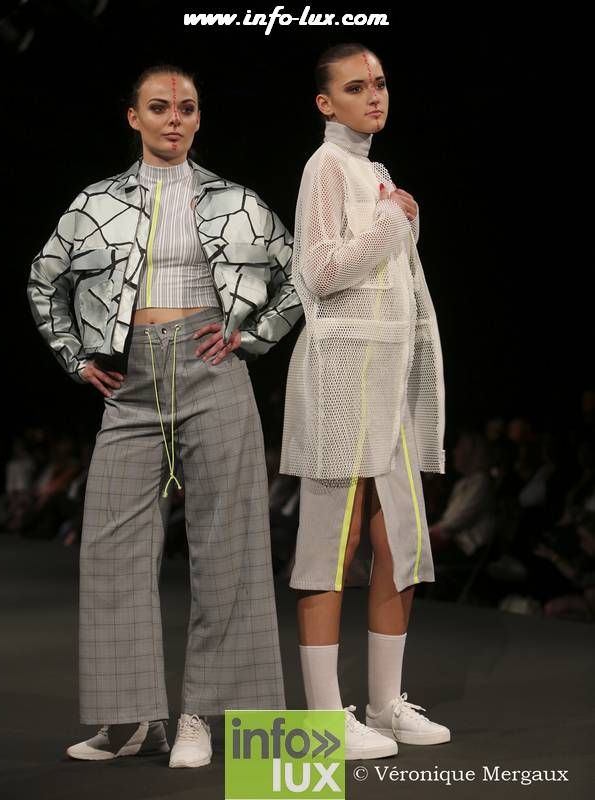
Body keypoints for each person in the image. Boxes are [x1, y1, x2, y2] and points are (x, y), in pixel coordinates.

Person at [27, 64, 302, 768]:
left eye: (185, 107)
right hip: (131, 379)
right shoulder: (94, 202)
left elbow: (297, 274)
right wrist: (74, 356)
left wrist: (251, 336)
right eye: (159, 107)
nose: (173, 118)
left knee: (229, 545)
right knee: (110, 549)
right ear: (134, 118)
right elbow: (43, 278)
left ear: (199, 117)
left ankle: (202, 717)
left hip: (213, 368)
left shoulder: (237, 200)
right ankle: (132, 720)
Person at [280, 43, 450, 760]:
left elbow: (392, 281)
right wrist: (392, 223)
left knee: (400, 542)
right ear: (326, 102)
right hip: (344, 374)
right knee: (334, 544)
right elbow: (318, 272)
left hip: (391, 376)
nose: (373, 95)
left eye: (378, 83)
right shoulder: (325, 165)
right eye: (355, 87)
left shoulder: (374, 171)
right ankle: (323, 722)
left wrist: (397, 218)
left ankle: (384, 705)